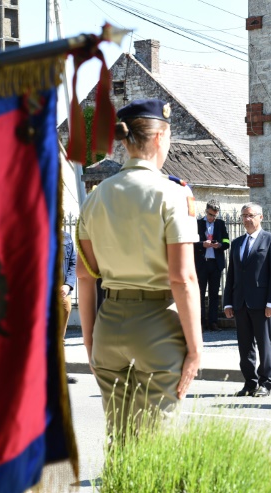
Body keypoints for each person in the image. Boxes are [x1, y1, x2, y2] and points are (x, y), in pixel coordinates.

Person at [75, 98, 203, 437]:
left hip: (108, 322)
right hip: (156, 323)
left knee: (119, 441)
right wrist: (196, 348)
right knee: (157, 447)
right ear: (160, 138)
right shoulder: (172, 194)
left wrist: (90, 343)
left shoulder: (96, 196)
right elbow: (183, 278)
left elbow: (85, 276)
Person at [223, 203, 271, 398]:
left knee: (265, 345)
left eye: (251, 215)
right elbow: (231, 273)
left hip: (262, 303)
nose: (247, 219)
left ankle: (266, 382)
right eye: (244, 216)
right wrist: (228, 302)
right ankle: (250, 382)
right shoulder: (237, 242)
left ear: (260, 217)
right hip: (240, 303)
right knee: (245, 345)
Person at [194, 199, 230, 331]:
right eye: (210, 215)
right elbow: (191, 242)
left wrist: (219, 245)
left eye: (215, 215)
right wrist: (201, 244)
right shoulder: (197, 224)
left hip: (215, 264)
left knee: (214, 294)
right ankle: (201, 323)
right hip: (201, 264)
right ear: (206, 212)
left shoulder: (220, 224)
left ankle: (213, 322)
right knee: (200, 294)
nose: (212, 218)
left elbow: (227, 241)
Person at [61, 230, 78, 384]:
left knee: (60, 338)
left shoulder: (66, 237)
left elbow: (74, 263)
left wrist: (67, 285)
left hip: (62, 295)